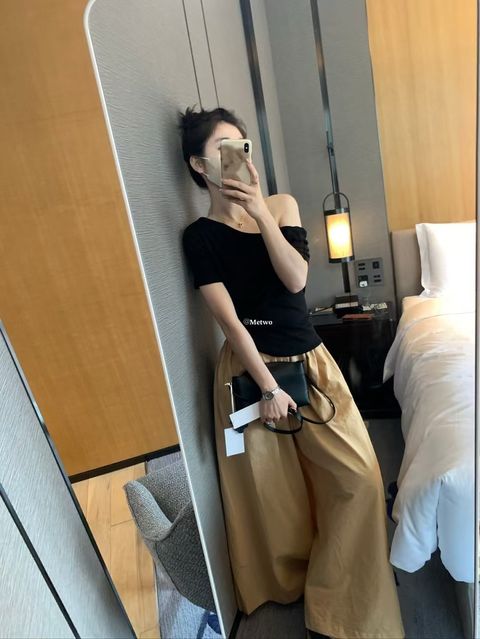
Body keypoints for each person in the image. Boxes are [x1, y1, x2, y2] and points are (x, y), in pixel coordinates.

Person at [179, 105, 405, 639]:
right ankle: (291, 588)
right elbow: (229, 321)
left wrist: (260, 213)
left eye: (242, 147)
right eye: (223, 150)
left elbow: (297, 279)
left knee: (359, 479)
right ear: (199, 165)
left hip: (310, 362)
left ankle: (344, 598)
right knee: (273, 497)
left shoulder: (280, 206)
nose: (238, 158)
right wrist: (268, 387)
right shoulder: (198, 237)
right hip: (248, 372)